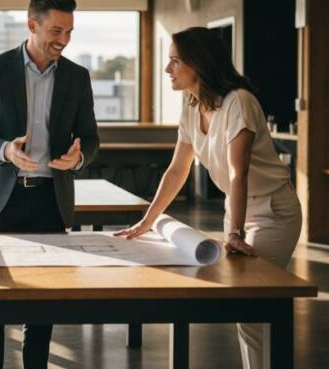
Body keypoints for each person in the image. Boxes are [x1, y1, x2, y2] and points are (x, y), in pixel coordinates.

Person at [114, 26, 301, 369]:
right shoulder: (191, 106)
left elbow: (237, 173)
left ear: (198, 64)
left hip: (274, 212)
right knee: (248, 314)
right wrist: (149, 220)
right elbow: (176, 171)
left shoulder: (239, 103)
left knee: (254, 305)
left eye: (174, 61)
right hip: (239, 210)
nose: (168, 69)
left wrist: (235, 234)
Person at [0, 0, 100, 369]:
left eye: (69, 32)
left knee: (42, 304)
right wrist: (6, 150)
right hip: (0, 199)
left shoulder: (77, 76)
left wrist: (79, 158)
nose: (63, 40)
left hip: (50, 200)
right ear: (32, 25)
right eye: (56, 30)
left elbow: (90, 138)